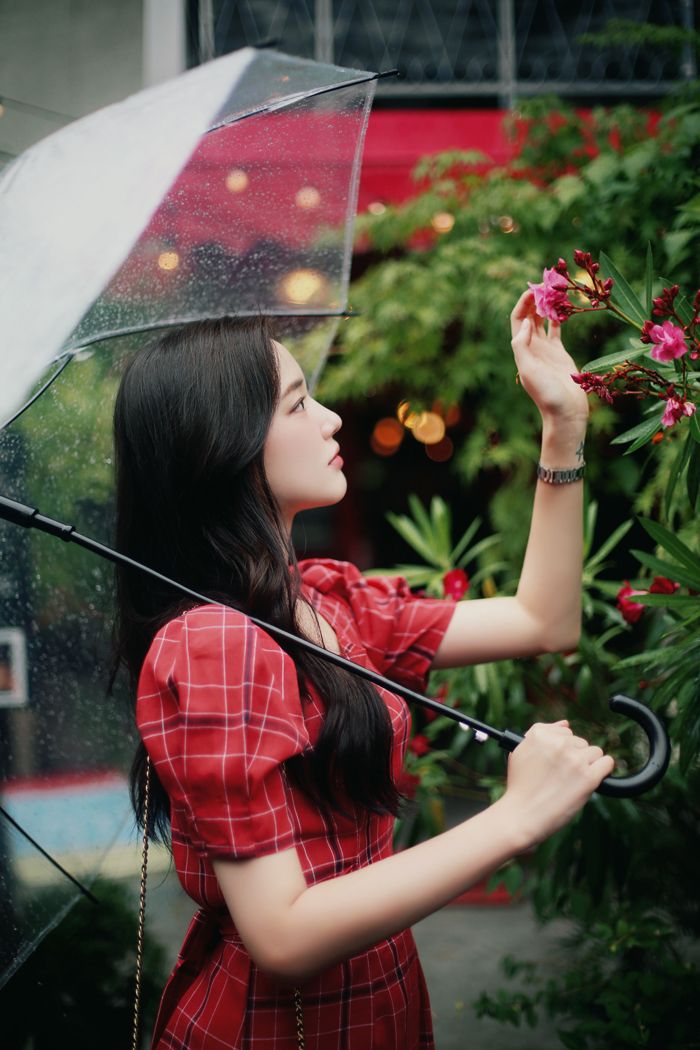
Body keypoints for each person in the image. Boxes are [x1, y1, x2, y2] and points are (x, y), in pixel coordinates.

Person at [112, 290, 614, 1050]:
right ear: (225, 443)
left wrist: (562, 427)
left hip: (379, 1004)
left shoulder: (324, 603)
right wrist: (512, 820)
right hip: (274, 1030)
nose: (332, 419)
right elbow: (281, 936)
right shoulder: (215, 644)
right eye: (297, 404)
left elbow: (544, 621)